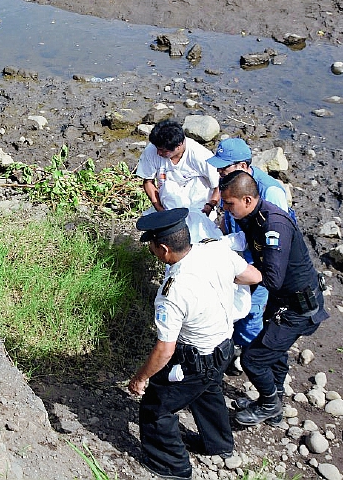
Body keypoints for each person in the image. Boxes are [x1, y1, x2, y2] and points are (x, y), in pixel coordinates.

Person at [128, 208, 261, 480]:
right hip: (225, 346)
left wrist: (141, 378)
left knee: (157, 407)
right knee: (209, 393)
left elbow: (165, 350)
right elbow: (253, 276)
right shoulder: (216, 250)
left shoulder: (172, 291)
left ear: (164, 249)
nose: (152, 252)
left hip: (196, 358)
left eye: (152, 247)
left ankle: (171, 466)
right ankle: (219, 445)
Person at [219, 170, 328, 428]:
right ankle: (274, 406)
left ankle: (268, 404)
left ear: (247, 200)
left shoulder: (274, 224)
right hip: (281, 302)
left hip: (298, 307)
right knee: (274, 353)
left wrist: (231, 277)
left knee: (252, 359)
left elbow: (272, 279)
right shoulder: (251, 218)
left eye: (229, 203)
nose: (226, 208)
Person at [208, 137, 293, 348]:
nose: (219, 173)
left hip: (261, 260)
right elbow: (227, 217)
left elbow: (275, 239)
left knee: (251, 310)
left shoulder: (270, 192)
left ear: (243, 166)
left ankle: (251, 353)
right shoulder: (228, 182)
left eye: (223, 168)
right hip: (239, 252)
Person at [135, 120, 222, 243]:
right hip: (168, 200)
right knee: (169, 188)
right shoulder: (152, 150)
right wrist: (160, 209)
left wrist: (209, 207)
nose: (159, 153)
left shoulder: (200, 155)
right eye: (157, 149)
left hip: (198, 202)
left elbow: (218, 186)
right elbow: (148, 182)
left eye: (163, 151)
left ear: (179, 146)